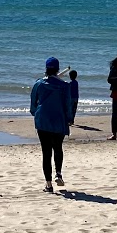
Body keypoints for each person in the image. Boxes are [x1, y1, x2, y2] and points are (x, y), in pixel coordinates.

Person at [31, 57, 77, 192]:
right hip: (59, 119)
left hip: (43, 120)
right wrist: (69, 118)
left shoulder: (39, 83)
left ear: (46, 68)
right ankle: (58, 173)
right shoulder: (64, 85)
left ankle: (48, 184)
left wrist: (36, 114)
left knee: (46, 152)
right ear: (57, 69)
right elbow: (67, 104)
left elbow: (33, 103)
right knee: (58, 148)